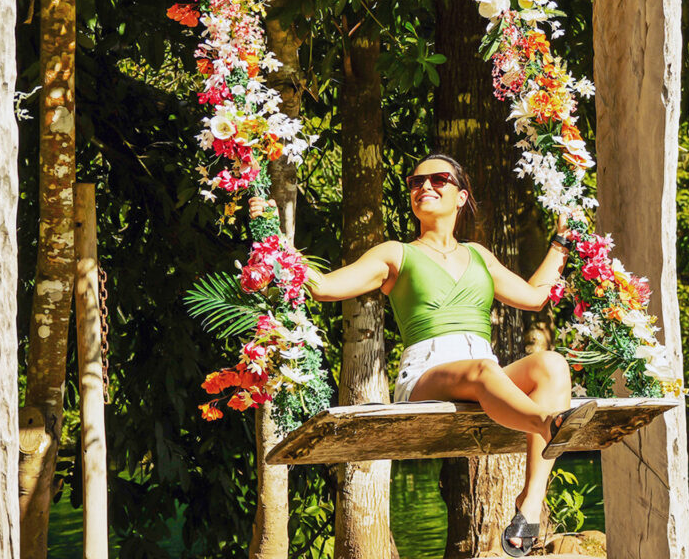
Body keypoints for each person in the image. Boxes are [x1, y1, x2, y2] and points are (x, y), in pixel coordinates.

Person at [249, 153, 597, 557]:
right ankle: (549, 424)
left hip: (484, 374)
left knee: (552, 365)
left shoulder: (480, 256)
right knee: (485, 370)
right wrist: (272, 235)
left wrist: (562, 240)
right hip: (427, 376)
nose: (425, 187)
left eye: (438, 179)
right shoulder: (395, 254)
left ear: (461, 196)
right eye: (416, 182)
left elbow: (536, 298)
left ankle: (530, 501)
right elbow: (324, 287)